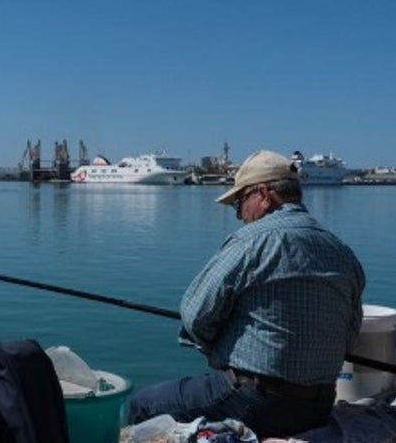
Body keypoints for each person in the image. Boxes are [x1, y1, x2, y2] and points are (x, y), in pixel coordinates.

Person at [126, 150, 366, 437]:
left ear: (264, 194)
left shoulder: (253, 241)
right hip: (319, 405)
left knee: (144, 405)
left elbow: (195, 315)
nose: (239, 214)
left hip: (255, 401)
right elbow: (350, 335)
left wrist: (216, 349)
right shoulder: (342, 251)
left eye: (239, 202)